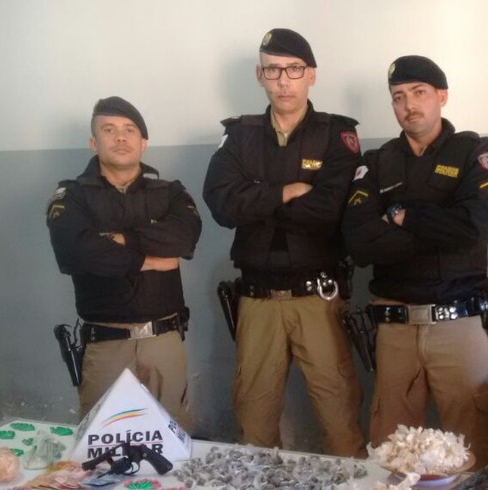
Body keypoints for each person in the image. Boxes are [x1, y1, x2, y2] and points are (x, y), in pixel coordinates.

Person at [203, 28, 365, 457]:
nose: (283, 80)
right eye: (273, 70)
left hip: (318, 298)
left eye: (293, 69)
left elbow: (330, 210)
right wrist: (283, 192)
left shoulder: (337, 135)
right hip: (256, 300)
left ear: (311, 75)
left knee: (340, 420)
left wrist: (254, 198)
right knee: (254, 427)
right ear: (260, 75)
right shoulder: (239, 135)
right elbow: (220, 203)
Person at [342, 55, 488, 468]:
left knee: (474, 453)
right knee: (392, 455)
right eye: (398, 97)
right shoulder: (377, 163)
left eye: (419, 93)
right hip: (394, 329)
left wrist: (403, 216)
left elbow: (474, 229)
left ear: (442, 96)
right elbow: (358, 242)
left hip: (458, 323)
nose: (409, 105)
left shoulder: (475, 152)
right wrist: (437, 232)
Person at [47, 96, 201, 429]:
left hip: (164, 341)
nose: (120, 137)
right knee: (101, 452)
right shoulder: (72, 195)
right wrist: (150, 259)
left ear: (143, 143)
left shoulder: (170, 192)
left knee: (176, 444)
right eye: (109, 129)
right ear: (93, 142)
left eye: (130, 130)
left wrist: (122, 239)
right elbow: (76, 253)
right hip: (106, 345)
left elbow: (184, 239)